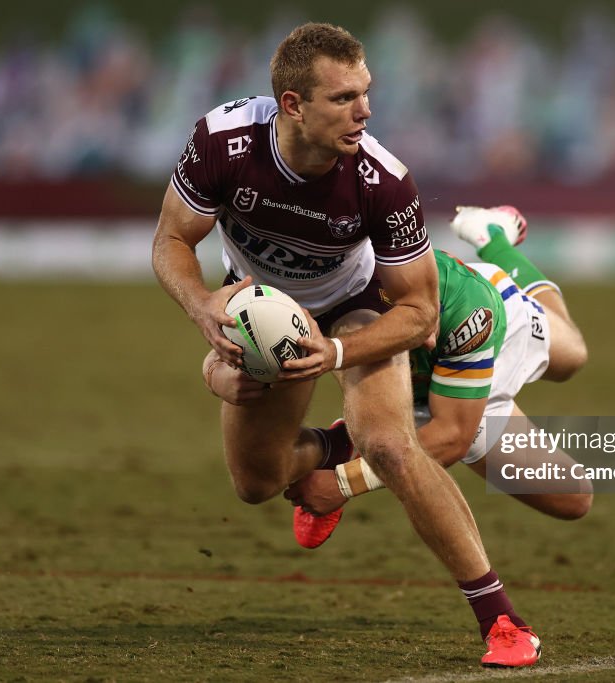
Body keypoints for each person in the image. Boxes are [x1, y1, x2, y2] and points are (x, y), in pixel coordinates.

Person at [152, 23, 540, 668]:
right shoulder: (222, 142)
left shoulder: (383, 181)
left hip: (359, 307)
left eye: (366, 93)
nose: (364, 111)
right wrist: (202, 308)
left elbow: (420, 313)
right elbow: (171, 240)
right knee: (256, 483)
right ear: (292, 105)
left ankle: (501, 619)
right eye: (343, 98)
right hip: (261, 311)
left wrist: (333, 355)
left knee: (390, 444)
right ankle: (308, 438)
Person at [207, 205, 593, 541]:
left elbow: (451, 437)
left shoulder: (467, 308)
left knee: (573, 356)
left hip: (483, 348)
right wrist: (216, 374)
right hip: (421, 393)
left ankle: (493, 237)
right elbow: (249, 337)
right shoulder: (331, 291)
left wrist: (344, 484)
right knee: (572, 496)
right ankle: (348, 440)